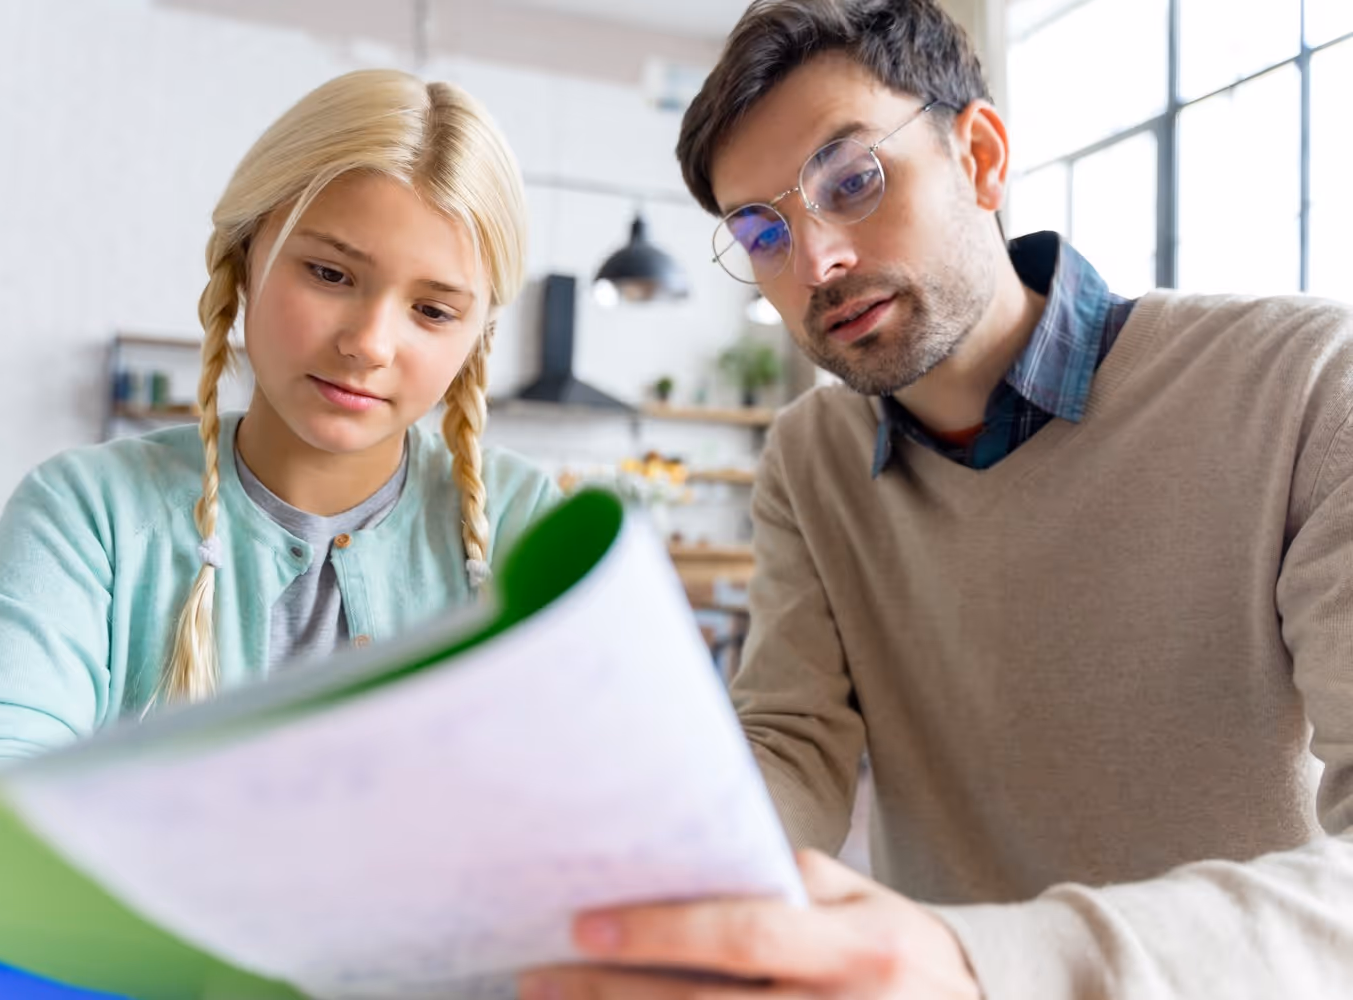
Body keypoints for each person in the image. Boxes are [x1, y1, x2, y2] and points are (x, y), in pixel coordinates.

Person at [520, 1, 1353, 997]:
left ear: (983, 155)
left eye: (854, 179)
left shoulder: (1307, 383)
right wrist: (666, 873)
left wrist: (978, 964)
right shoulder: (808, 459)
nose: (817, 259)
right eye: (762, 229)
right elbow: (792, 740)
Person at [0, 69, 558, 788]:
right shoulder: (90, 512)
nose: (371, 344)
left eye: (434, 311)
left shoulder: (531, 525)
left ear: (476, 335)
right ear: (247, 257)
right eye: (330, 274)